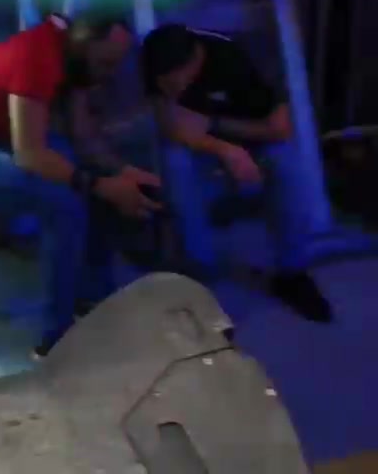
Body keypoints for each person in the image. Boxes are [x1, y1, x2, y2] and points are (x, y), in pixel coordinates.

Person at [0, 11, 162, 358]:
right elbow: (30, 154)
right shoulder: (37, 56)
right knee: (65, 204)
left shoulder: (75, 60)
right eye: (105, 63)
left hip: (2, 143)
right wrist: (101, 186)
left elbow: (84, 138)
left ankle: (94, 301)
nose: (108, 74)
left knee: (89, 180)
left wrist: (123, 172)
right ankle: (56, 340)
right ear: (84, 42)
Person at [141, 22, 332, 322]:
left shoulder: (235, 58)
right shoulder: (155, 60)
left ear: (195, 62)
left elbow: (281, 128)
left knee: (286, 164)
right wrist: (224, 149)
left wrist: (217, 126)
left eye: (173, 82)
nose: (169, 90)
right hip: (206, 144)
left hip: (257, 135)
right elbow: (171, 126)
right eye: (162, 84)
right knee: (176, 162)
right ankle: (200, 272)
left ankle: (292, 273)